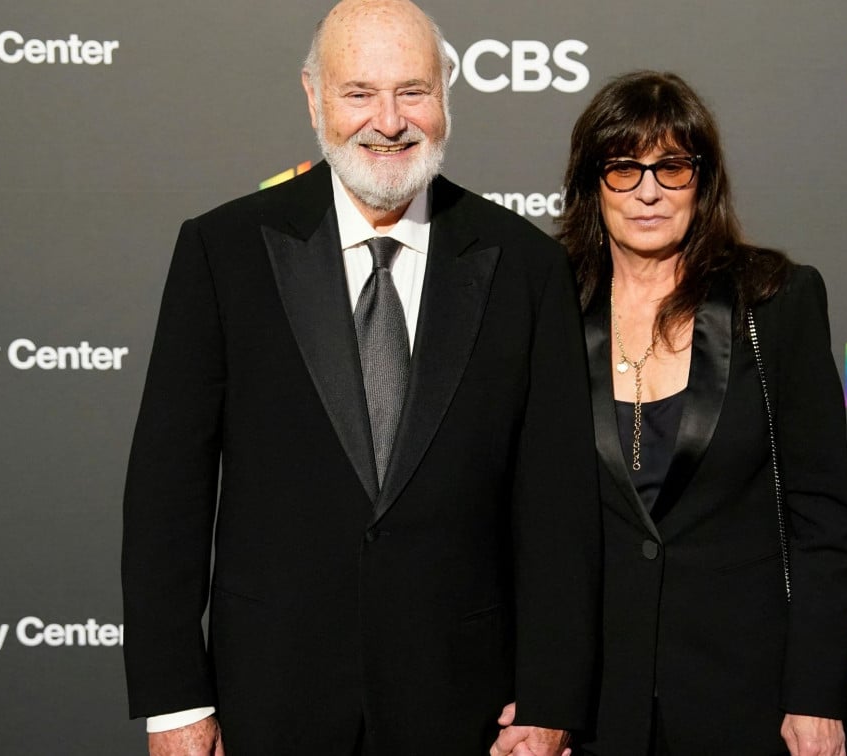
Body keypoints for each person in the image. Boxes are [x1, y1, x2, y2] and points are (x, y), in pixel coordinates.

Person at [120, 2, 599, 754]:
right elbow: (166, 492)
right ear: (314, 97)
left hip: (465, 706)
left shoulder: (524, 266)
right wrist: (175, 702)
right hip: (267, 700)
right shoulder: (224, 252)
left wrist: (549, 699)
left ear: (446, 96)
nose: (390, 121)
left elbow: (557, 504)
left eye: (413, 91)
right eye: (359, 93)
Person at [558, 71, 847, 756]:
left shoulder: (774, 302)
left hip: (742, 695)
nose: (648, 191)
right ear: (591, 183)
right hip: (590, 699)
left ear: (703, 179)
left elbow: (824, 518)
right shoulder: (547, 305)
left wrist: (814, 695)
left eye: (672, 166)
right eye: (623, 168)